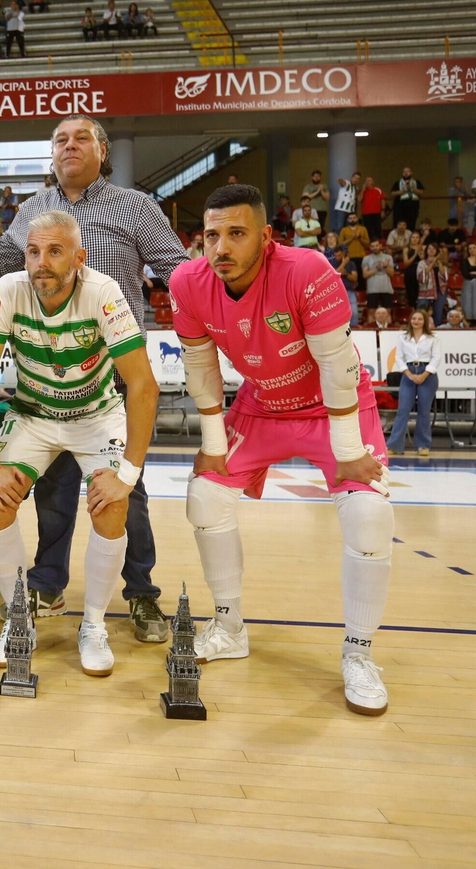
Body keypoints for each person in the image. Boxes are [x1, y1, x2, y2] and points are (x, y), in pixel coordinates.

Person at [0, 114, 187, 641]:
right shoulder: (33, 210)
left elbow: (176, 269)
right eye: (60, 139)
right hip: (44, 371)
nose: (69, 145)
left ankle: (141, 593)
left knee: (124, 493)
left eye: (81, 137)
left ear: (103, 151)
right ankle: (47, 585)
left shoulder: (134, 206)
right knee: (52, 494)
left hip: (113, 369)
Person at [170, 183, 394, 715]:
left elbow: (338, 364)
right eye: (211, 236)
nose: (221, 247)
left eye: (236, 234)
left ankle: (359, 654)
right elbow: (200, 367)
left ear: (266, 237)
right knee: (205, 496)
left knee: (369, 514)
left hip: (333, 408)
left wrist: (348, 448)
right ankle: (229, 628)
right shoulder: (187, 281)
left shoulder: (307, 270)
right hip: (262, 405)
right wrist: (213, 444)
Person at [0, 210, 159, 676]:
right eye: (33, 252)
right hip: (33, 416)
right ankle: (19, 617)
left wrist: (127, 475)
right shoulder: (7, 291)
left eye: (55, 251)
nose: (41, 262)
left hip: (96, 416)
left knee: (111, 502)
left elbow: (143, 385)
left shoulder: (103, 292)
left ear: (79, 258)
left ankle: (93, 625)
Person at [386, 310, 439, 457]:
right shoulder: (403, 338)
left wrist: (424, 375)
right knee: (403, 410)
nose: (416, 321)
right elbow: (399, 358)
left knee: (424, 411)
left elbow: (436, 358)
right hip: (408, 373)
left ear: (425, 321)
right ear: (410, 320)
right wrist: (409, 374)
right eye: (414, 318)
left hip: (428, 374)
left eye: (420, 319)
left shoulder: (433, 338)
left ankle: (423, 445)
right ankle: (394, 445)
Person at [416, 248, 448, 326]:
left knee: (438, 312)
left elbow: (445, 276)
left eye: (434, 249)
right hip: (425, 290)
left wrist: (439, 263)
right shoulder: (422, 263)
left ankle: (437, 328)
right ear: (426, 251)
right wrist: (433, 262)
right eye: (429, 248)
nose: (431, 250)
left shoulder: (442, 263)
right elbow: (421, 276)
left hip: (440, 290)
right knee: (421, 311)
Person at [362, 241, 395, 315]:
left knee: (387, 313)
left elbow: (392, 273)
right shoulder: (366, 258)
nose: (375, 248)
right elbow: (365, 275)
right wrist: (377, 268)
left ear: (380, 245)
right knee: (371, 313)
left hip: (386, 289)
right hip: (372, 290)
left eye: (377, 245)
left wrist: (385, 267)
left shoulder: (388, 257)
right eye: (372, 246)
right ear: (370, 248)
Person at [338, 212, 370, 280]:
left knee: (361, 278)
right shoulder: (344, 230)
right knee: (351, 277)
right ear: (347, 220)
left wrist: (359, 238)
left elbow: (367, 244)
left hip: (361, 256)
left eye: (354, 218)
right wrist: (351, 238)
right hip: (349, 257)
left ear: (357, 219)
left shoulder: (363, 229)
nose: (352, 219)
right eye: (350, 218)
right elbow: (340, 245)